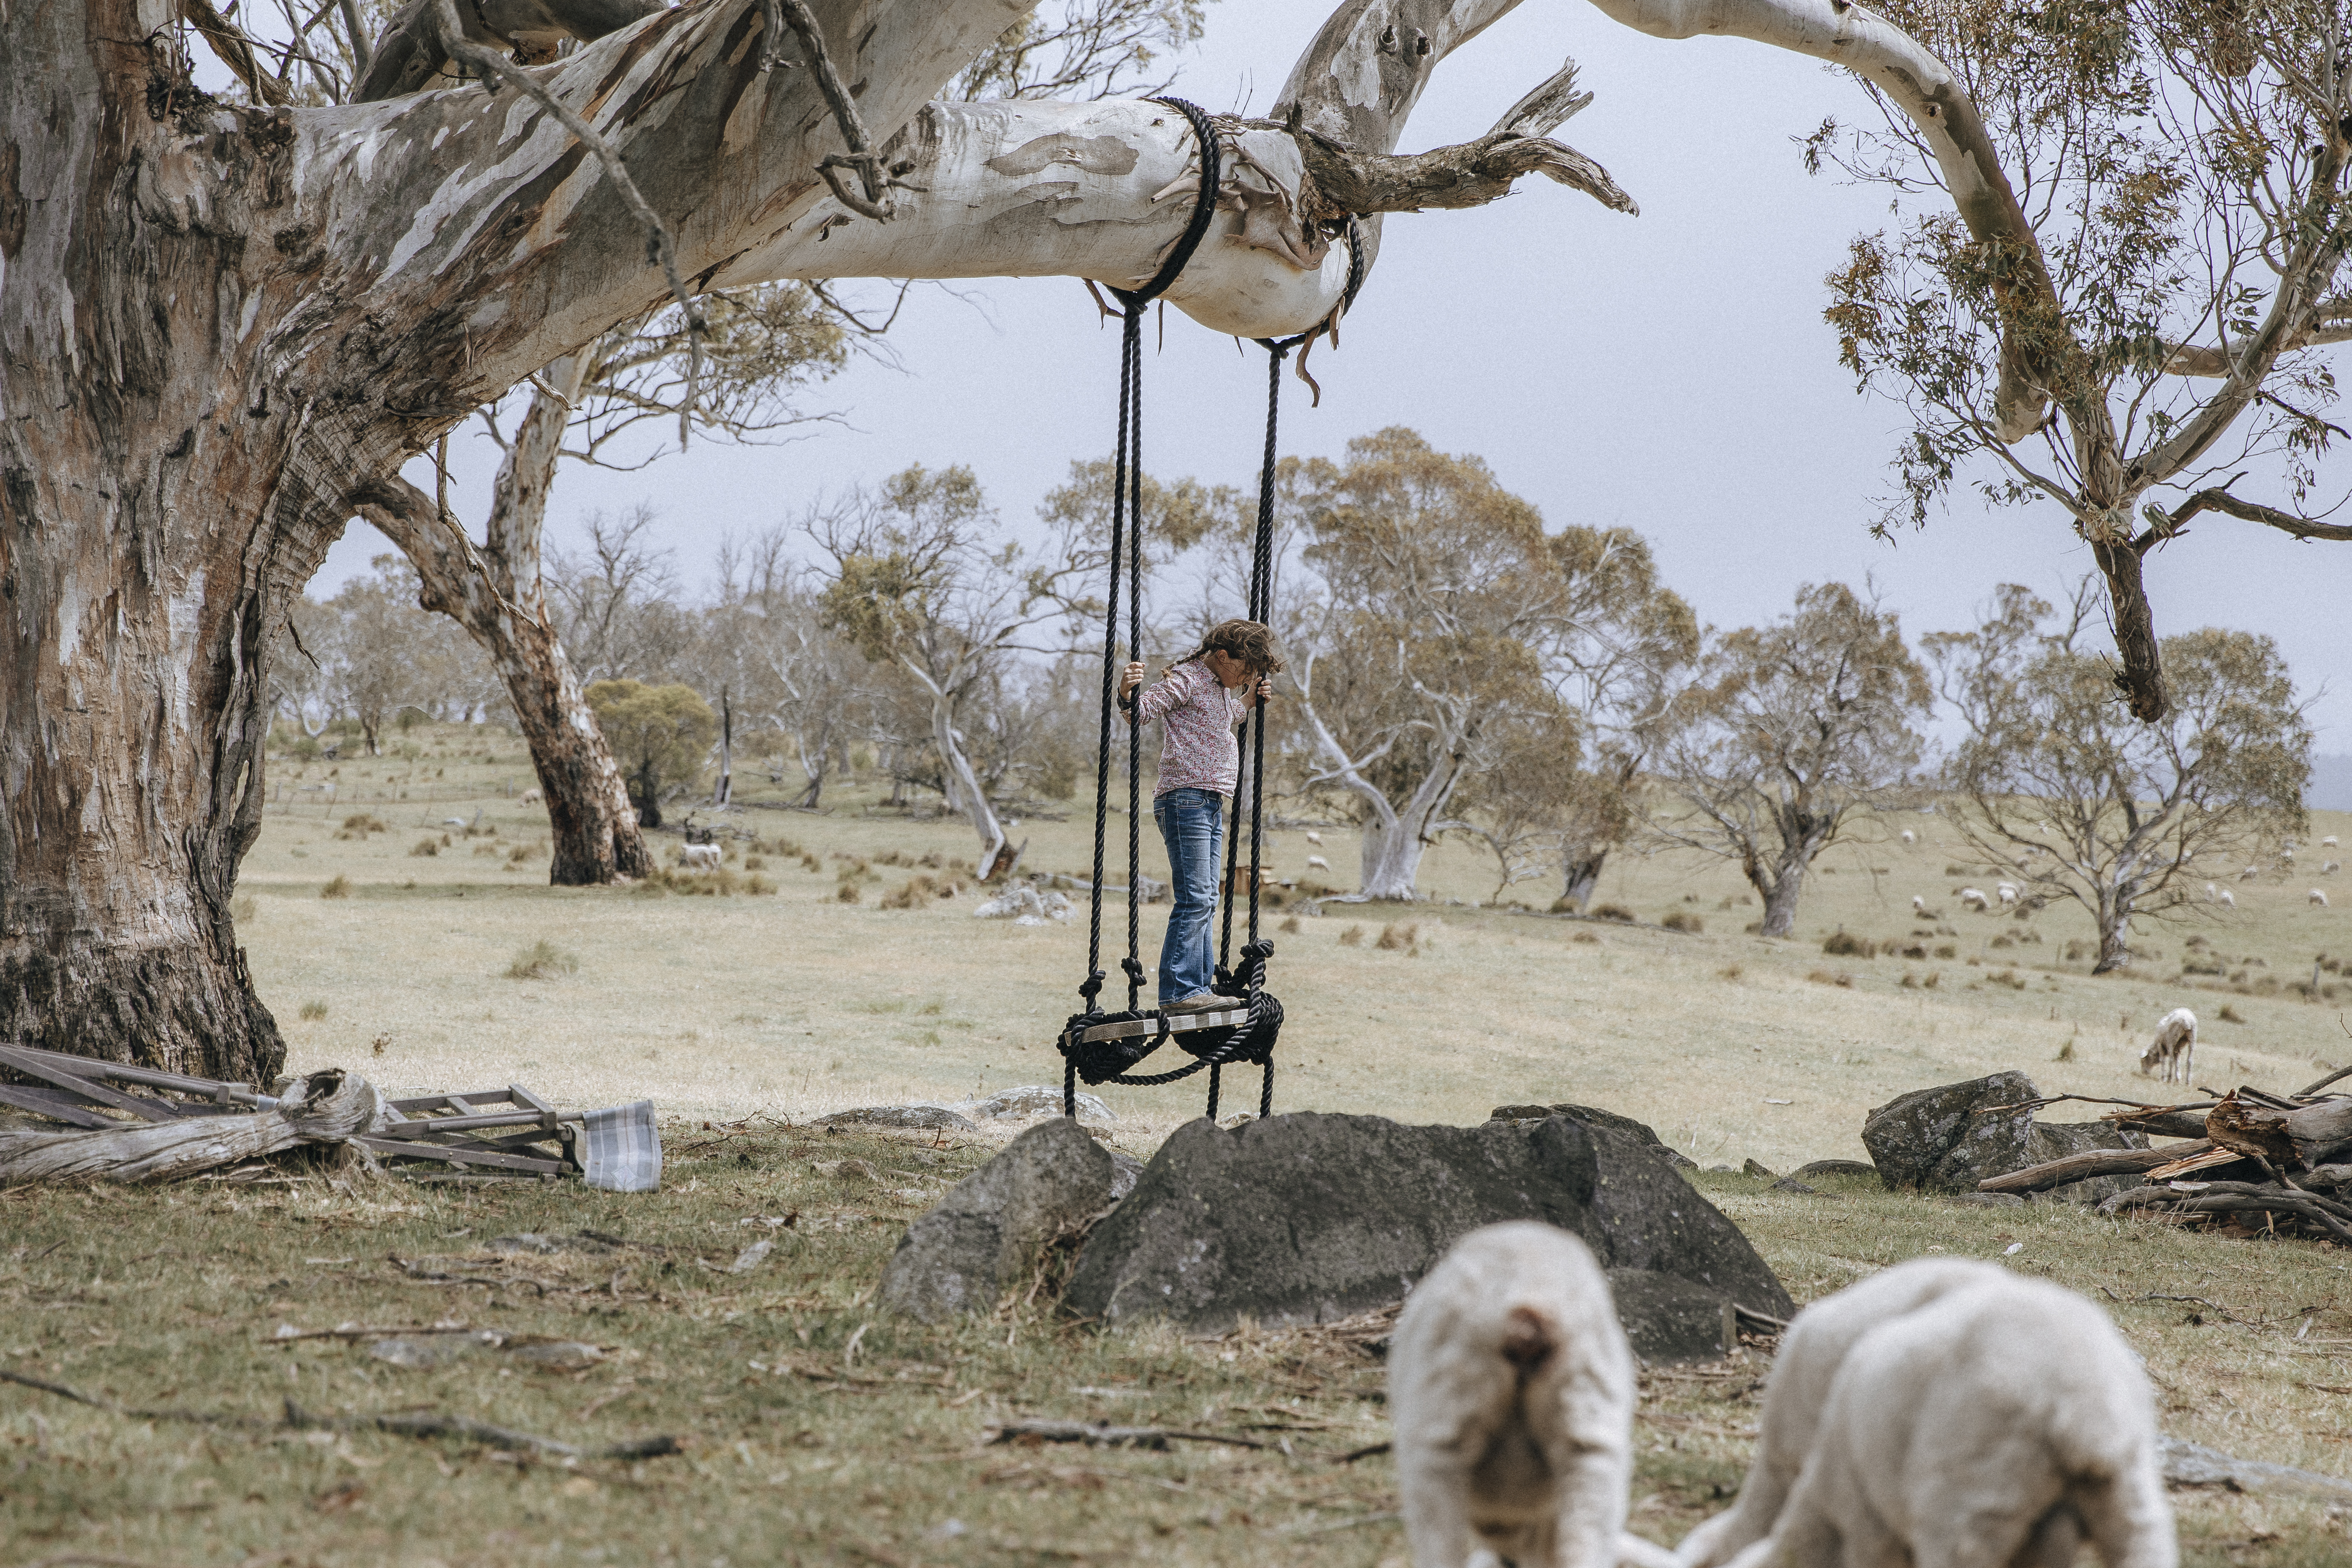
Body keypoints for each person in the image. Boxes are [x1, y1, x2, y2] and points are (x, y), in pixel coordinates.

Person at [1118, 619, 1282, 1013]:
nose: (1244, 679)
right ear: (1222, 656)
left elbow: (1224, 718)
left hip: (1208, 801)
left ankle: (1196, 988)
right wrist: (1126, 690)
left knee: (1208, 898)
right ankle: (1181, 993)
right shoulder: (1188, 679)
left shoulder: (1218, 688)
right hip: (1185, 799)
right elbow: (1139, 713)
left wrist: (1249, 702)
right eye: (1244, 672)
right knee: (1195, 899)